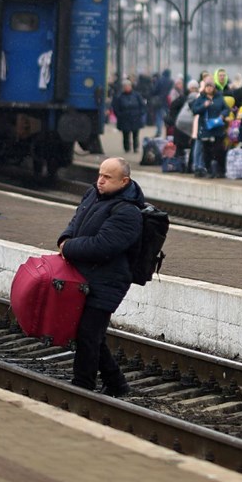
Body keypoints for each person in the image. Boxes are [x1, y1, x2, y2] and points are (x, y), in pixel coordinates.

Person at [58, 157, 143, 397]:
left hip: (108, 281)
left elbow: (103, 246)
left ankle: (82, 386)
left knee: (87, 333)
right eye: (100, 174)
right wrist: (64, 238)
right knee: (90, 334)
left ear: (124, 181)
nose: (100, 181)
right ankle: (116, 384)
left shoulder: (128, 212)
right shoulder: (93, 195)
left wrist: (68, 248)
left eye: (107, 177)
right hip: (86, 277)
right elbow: (76, 221)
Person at [190, 79, 229, 178]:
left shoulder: (219, 97)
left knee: (218, 150)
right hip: (206, 129)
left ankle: (220, 171)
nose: (209, 88)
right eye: (207, 86)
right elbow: (195, 110)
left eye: (211, 86)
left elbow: (226, 108)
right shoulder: (201, 98)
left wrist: (222, 115)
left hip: (217, 128)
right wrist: (204, 106)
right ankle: (209, 170)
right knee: (206, 151)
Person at [111, 79, 144, 154]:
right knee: (125, 134)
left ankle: (136, 147)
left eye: (128, 86)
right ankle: (127, 148)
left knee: (135, 134)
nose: (127, 87)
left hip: (135, 117)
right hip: (124, 118)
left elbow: (142, 105)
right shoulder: (119, 96)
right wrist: (119, 115)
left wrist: (140, 113)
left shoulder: (136, 95)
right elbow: (115, 107)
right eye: (125, 86)